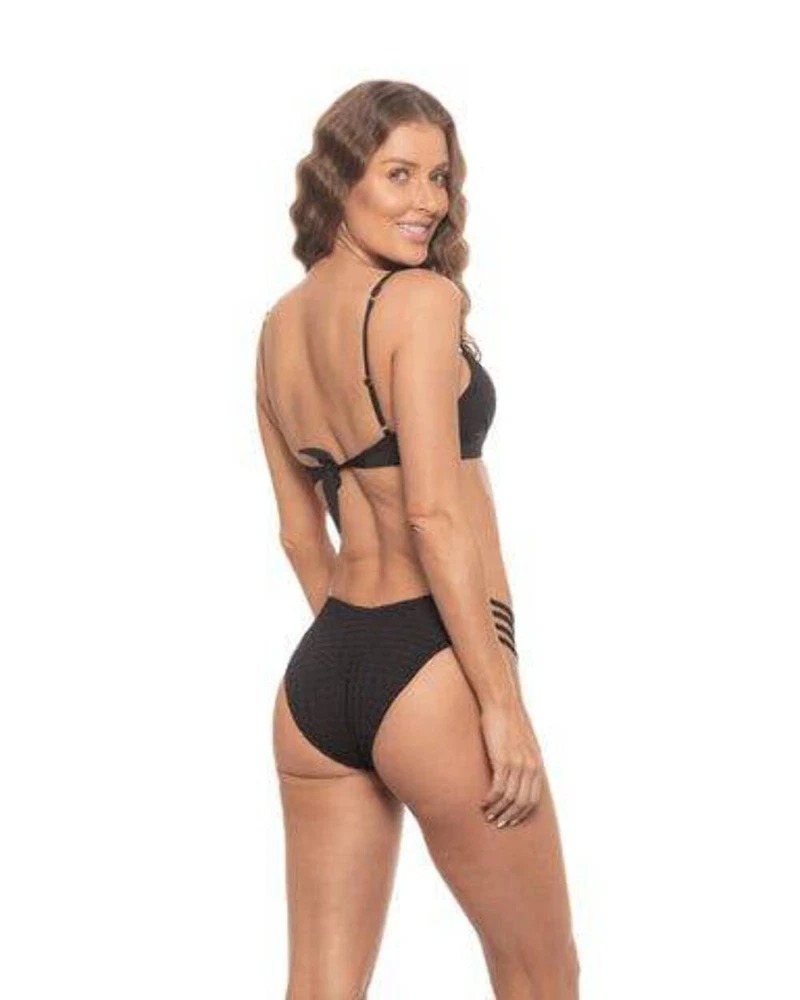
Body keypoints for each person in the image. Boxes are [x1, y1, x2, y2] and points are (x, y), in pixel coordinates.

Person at [254, 80, 580, 1000]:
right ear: (340, 178)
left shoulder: (276, 328)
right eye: (398, 174)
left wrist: (360, 661)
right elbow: (434, 516)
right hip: (435, 659)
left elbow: (298, 534)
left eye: (439, 177)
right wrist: (497, 703)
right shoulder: (421, 302)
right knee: (541, 975)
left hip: (321, 678)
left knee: (320, 988)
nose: (428, 200)